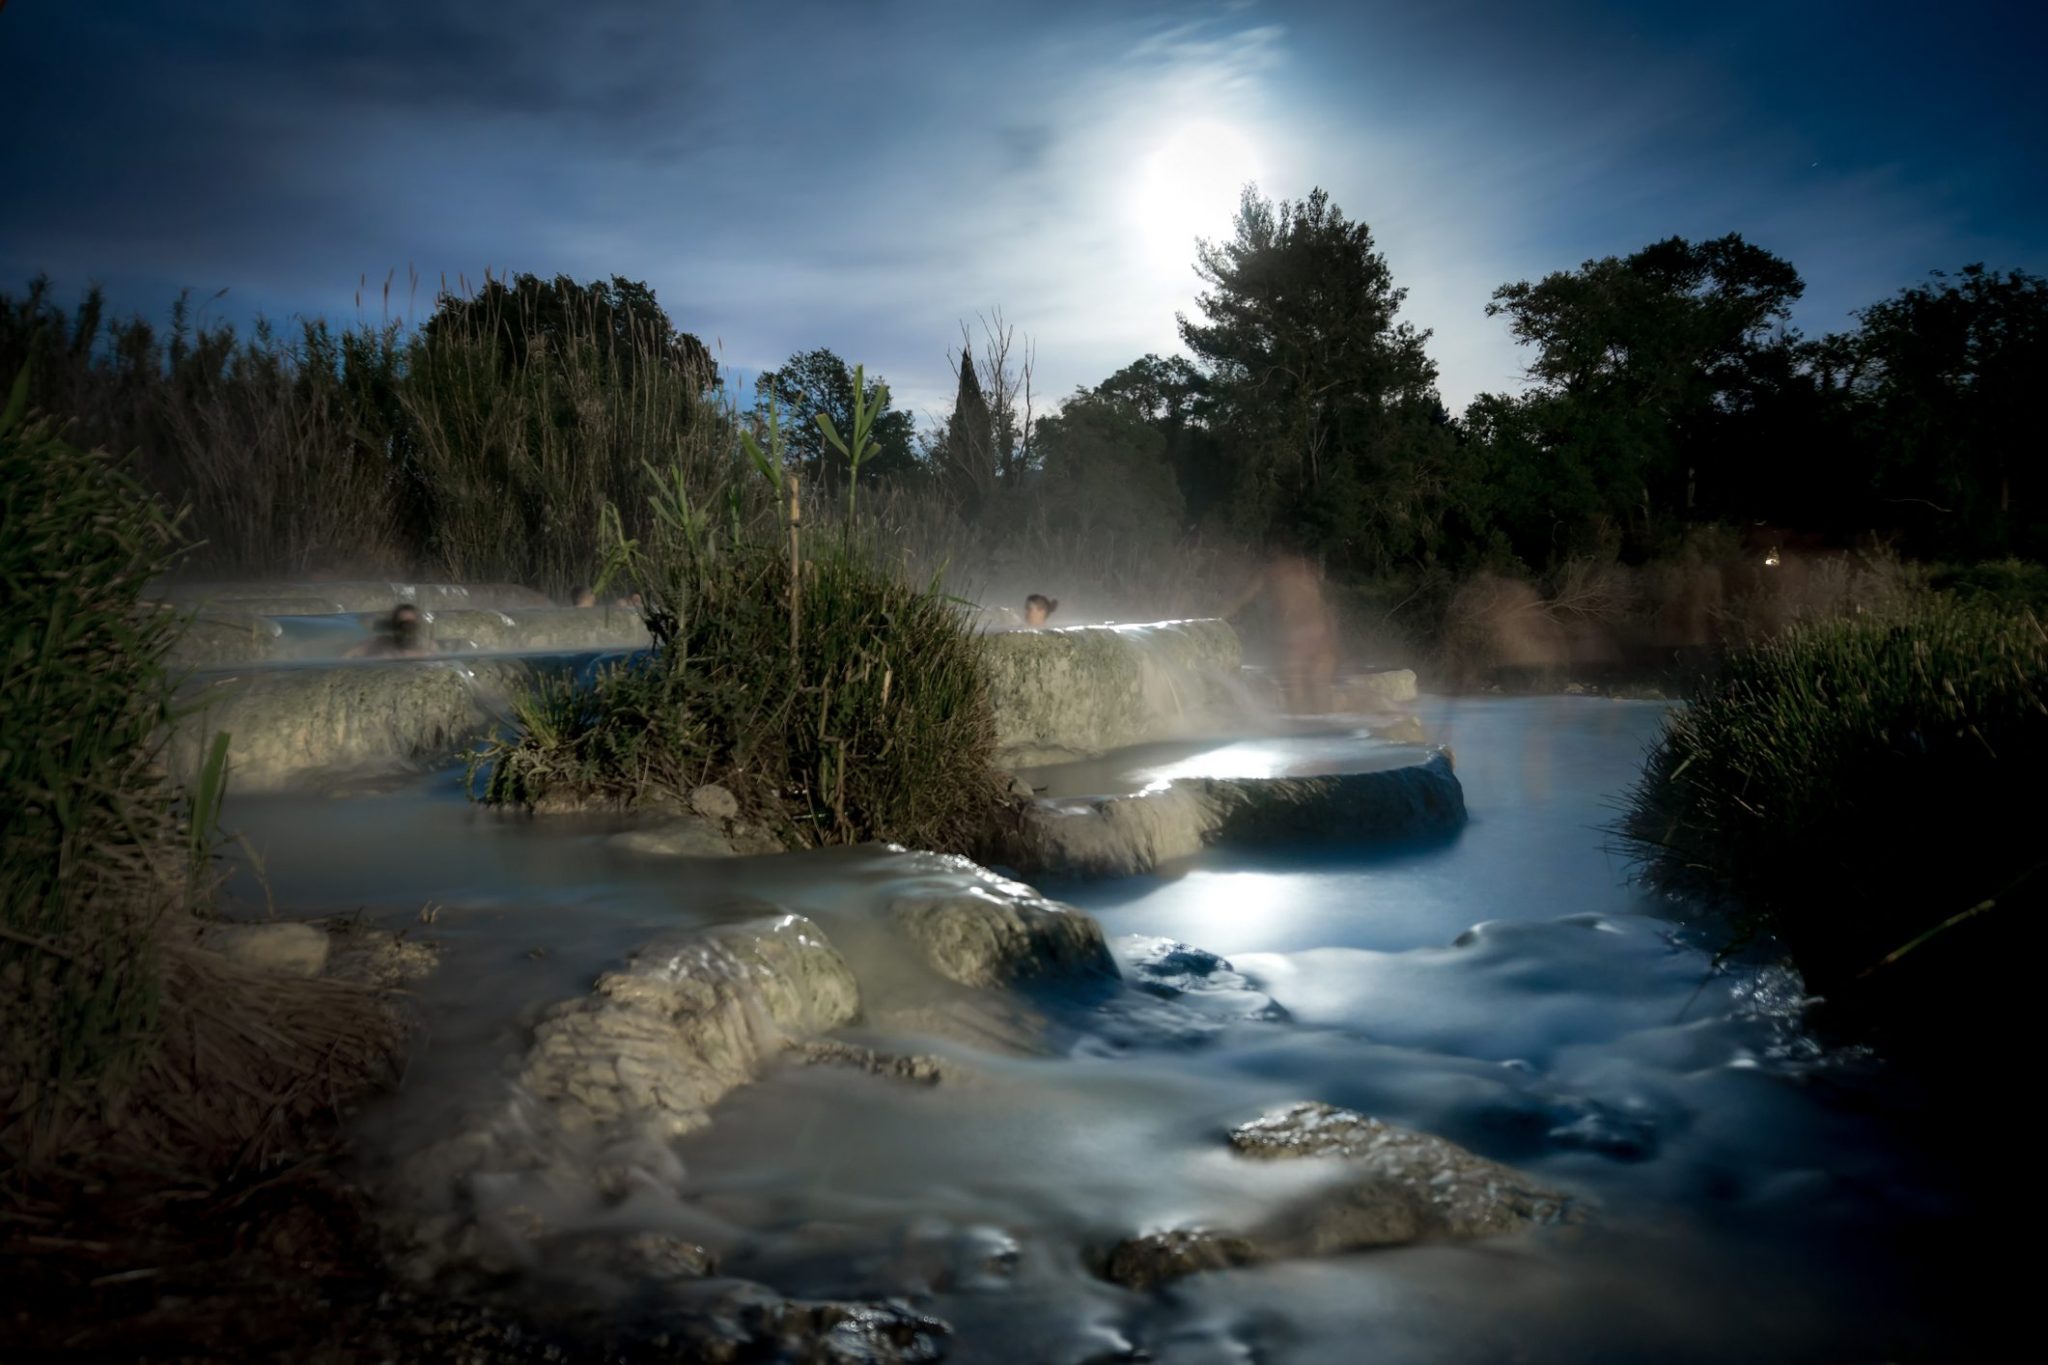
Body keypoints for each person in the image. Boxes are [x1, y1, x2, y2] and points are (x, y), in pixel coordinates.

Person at [1223, 553, 1336, 714]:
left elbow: (1241, 601)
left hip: (1294, 638)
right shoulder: (1308, 568)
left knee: (1296, 693)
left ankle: (1301, 721)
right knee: (1321, 687)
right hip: (1319, 633)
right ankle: (1326, 723)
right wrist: (1334, 639)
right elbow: (1325, 606)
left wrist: (1218, 617)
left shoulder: (1270, 572)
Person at [346, 603, 433, 659]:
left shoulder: (428, 646)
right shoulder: (379, 643)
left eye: (411, 624)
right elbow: (349, 656)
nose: (407, 629)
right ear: (393, 626)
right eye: (402, 624)